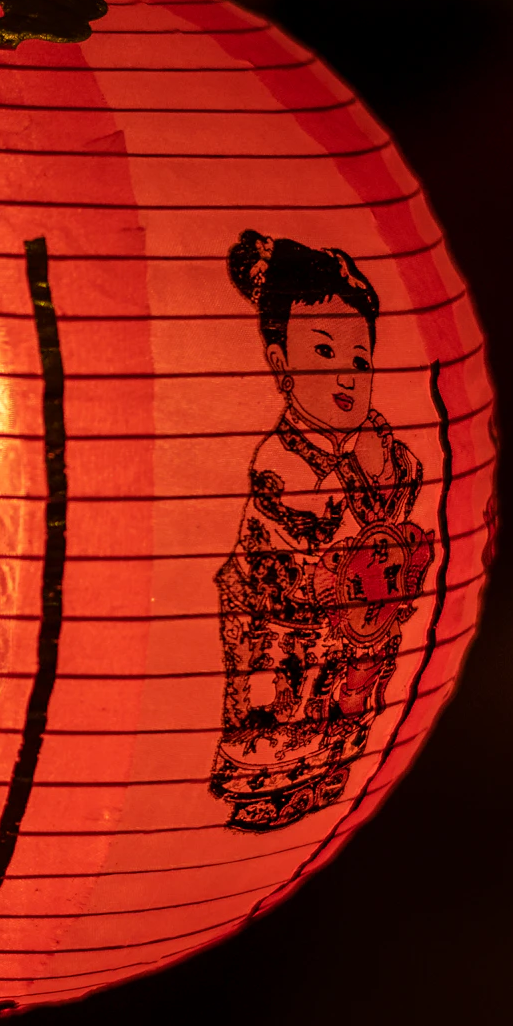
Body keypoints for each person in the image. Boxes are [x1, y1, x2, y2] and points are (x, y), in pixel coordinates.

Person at [209, 228, 432, 831]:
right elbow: (306, 541)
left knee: (344, 710)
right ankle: (269, 790)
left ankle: (330, 774)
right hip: (288, 622)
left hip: (352, 621)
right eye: (325, 354)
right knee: (286, 714)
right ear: (280, 364)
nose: (347, 378)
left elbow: (400, 504)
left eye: (360, 361)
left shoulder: (379, 443)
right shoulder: (281, 461)